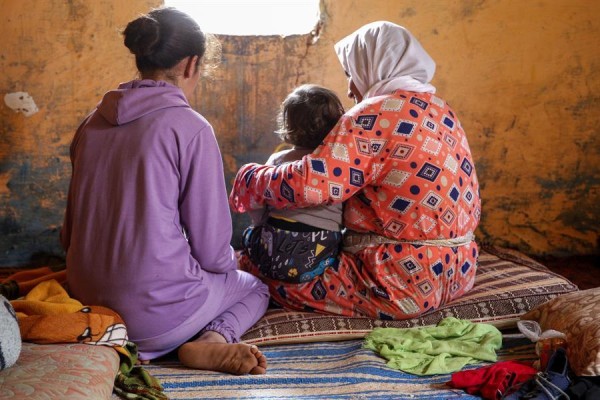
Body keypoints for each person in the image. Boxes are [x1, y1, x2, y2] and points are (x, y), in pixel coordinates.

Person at [61, 7, 270, 374]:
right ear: (192, 65)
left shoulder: (91, 122)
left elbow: (68, 234)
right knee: (253, 287)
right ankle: (212, 340)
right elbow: (212, 253)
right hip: (152, 320)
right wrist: (229, 264)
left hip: (87, 303)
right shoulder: (190, 127)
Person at [230, 21, 481, 320]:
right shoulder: (441, 109)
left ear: (374, 66)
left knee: (267, 273)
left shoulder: (376, 113)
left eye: (351, 74)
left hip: (399, 282)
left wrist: (250, 178)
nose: (350, 89)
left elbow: (311, 184)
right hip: (459, 272)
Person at [242, 84, 345, 284]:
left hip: (271, 253)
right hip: (318, 255)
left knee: (249, 234)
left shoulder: (278, 160)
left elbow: (258, 205)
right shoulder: (336, 163)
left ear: (288, 123)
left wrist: (259, 227)